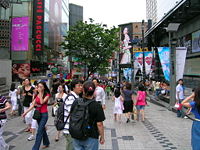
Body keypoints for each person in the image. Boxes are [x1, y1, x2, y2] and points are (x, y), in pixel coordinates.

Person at [71, 81, 105, 150]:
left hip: (77, 134)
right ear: (94, 91)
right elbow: (99, 124)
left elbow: (71, 115)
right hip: (91, 137)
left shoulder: (76, 102)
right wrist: (102, 136)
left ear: (83, 91)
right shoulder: (97, 105)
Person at [22, 81, 50, 150]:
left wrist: (40, 93)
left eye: (41, 87)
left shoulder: (47, 94)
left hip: (44, 115)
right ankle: (46, 143)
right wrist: (26, 112)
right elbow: (33, 105)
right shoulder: (37, 94)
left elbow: (41, 102)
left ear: (44, 87)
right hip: (37, 115)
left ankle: (35, 148)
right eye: (38, 86)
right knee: (42, 129)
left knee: (39, 131)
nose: (39, 88)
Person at [63, 79, 83, 150]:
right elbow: (73, 113)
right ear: (73, 87)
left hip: (73, 128)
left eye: (81, 85)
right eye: (79, 85)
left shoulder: (76, 97)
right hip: (70, 129)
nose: (81, 87)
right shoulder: (71, 98)